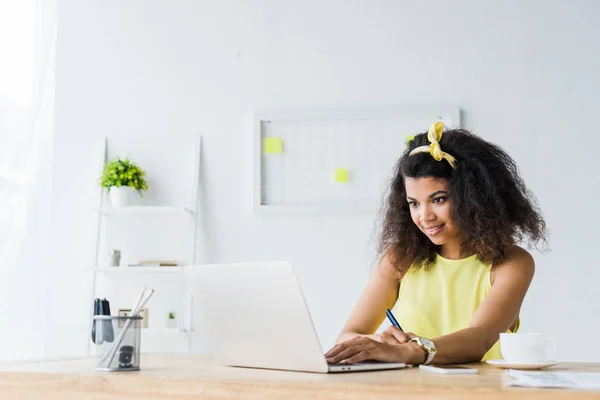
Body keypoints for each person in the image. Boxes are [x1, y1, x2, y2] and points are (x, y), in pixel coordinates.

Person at [325, 122, 547, 366]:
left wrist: (409, 352)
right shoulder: (400, 258)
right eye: (414, 203)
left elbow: (479, 339)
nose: (425, 216)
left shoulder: (511, 264)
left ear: (474, 198)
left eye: (438, 199)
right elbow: (347, 336)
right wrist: (380, 342)